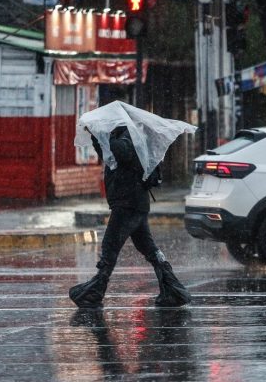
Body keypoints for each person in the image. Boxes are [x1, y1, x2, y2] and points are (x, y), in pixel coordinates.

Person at [69, 125, 192, 308]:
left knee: (110, 246)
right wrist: (96, 137)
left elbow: (122, 153)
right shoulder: (125, 136)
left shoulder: (131, 137)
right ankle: (173, 290)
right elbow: (109, 157)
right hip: (133, 203)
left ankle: (94, 292)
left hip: (128, 203)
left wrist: (104, 135)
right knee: (148, 248)